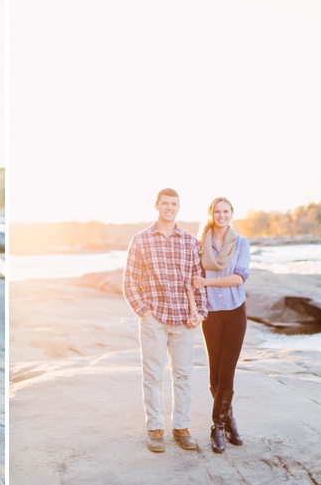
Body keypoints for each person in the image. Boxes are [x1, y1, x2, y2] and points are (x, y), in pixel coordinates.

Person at [123, 188, 208, 453]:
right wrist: (144, 312)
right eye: (165, 203)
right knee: (153, 376)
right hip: (154, 319)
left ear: (178, 208)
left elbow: (198, 281)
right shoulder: (141, 240)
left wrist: (201, 311)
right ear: (157, 206)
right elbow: (129, 283)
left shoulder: (190, 242)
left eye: (174, 204)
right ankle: (155, 429)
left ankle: (181, 428)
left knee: (183, 375)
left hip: (184, 320)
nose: (169, 207)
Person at [192, 197, 250, 453]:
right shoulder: (200, 244)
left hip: (236, 313)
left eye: (226, 211)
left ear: (231, 214)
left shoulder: (241, 243)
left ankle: (217, 426)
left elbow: (238, 278)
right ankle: (230, 421)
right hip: (212, 314)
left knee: (227, 371)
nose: (222, 215)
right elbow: (191, 277)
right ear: (211, 214)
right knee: (214, 372)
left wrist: (206, 283)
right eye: (218, 211)